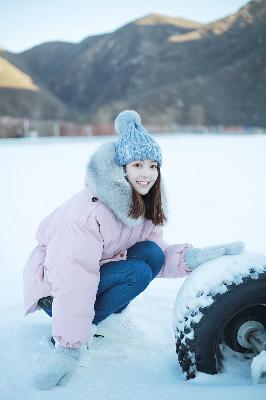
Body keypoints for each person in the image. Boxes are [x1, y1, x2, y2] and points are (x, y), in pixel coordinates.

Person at [23, 110, 245, 390]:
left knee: (149, 255)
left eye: (153, 166)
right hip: (55, 292)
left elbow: (158, 252)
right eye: (138, 164)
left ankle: (95, 315)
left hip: (92, 275)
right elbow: (73, 279)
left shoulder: (140, 203)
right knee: (137, 272)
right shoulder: (88, 214)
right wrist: (68, 347)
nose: (147, 174)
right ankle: (79, 329)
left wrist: (195, 258)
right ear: (121, 168)